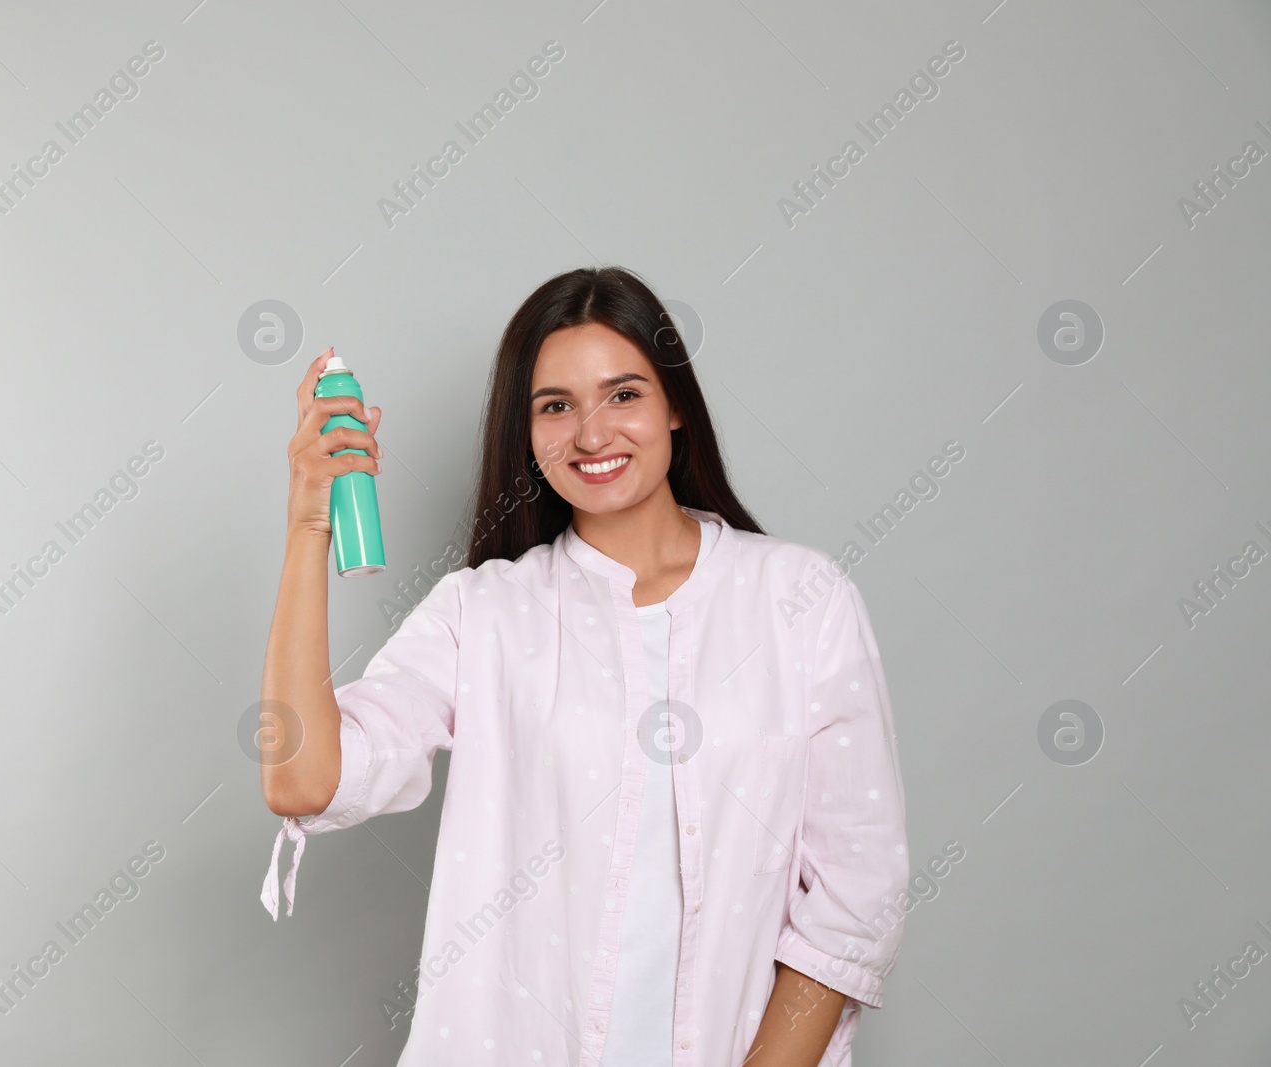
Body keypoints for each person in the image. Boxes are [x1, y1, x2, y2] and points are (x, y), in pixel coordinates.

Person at [259, 266, 909, 1066]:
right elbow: (303, 781)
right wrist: (307, 525)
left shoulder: (800, 598)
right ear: (526, 432)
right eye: (555, 405)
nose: (592, 434)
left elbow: (856, 890)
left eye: (624, 394)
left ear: (676, 406)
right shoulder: (483, 614)